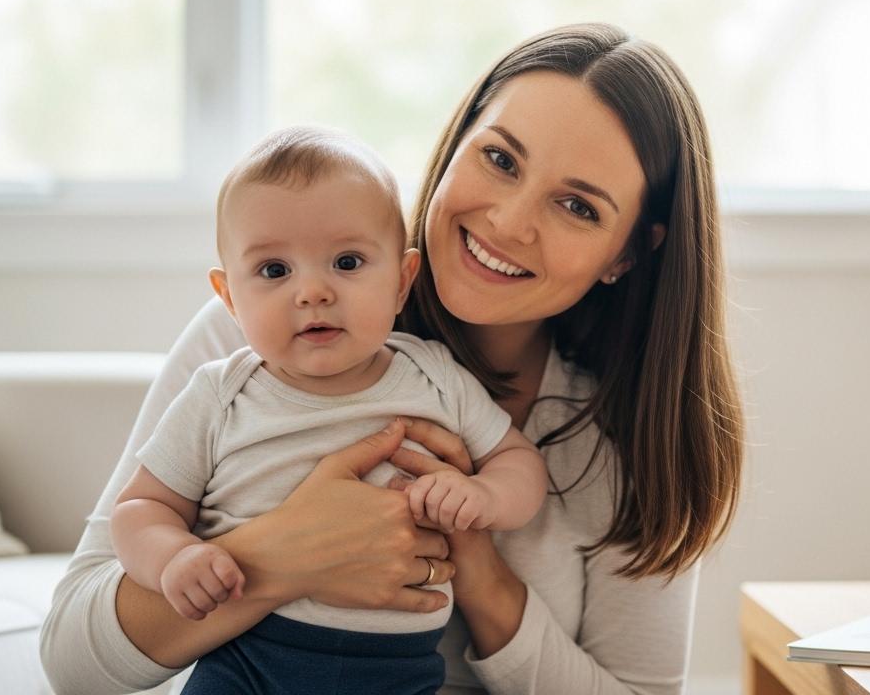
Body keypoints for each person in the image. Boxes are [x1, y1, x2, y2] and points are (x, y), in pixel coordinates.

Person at [40, 22, 745, 694]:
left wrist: (479, 572)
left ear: (627, 252)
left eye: (578, 207)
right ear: (457, 141)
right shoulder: (254, 342)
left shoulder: (627, 434)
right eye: (499, 159)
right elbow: (73, 661)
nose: (508, 222)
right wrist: (284, 554)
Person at [107, 125, 547, 694]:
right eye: (274, 271)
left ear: (402, 281)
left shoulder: (434, 376)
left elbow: (519, 461)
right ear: (230, 299)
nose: (312, 291)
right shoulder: (220, 394)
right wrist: (172, 559)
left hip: (398, 669)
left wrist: (486, 496)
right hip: (248, 658)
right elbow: (140, 506)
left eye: (346, 262)